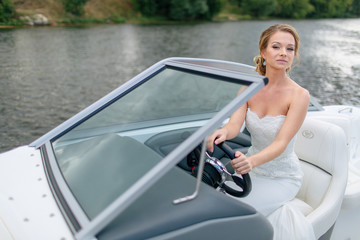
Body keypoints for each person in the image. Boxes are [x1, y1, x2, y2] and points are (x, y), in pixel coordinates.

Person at [206, 24, 315, 239]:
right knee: (215, 204)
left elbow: (281, 143)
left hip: (282, 176)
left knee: (233, 214)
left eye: (290, 49)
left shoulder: (299, 95)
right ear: (263, 51)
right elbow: (234, 126)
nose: (284, 53)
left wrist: (251, 161)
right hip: (251, 171)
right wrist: (222, 133)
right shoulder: (248, 89)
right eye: (276, 46)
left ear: (294, 55)